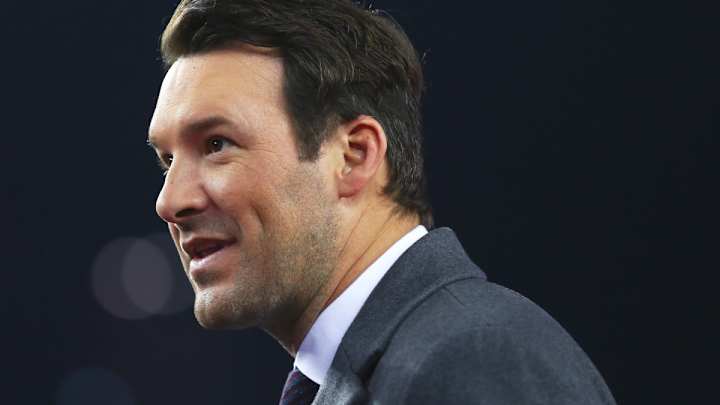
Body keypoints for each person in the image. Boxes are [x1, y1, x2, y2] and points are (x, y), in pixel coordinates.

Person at [147, 0, 616, 403]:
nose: (169, 202)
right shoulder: (406, 361)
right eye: (167, 161)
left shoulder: (475, 362)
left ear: (353, 156)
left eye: (216, 145)